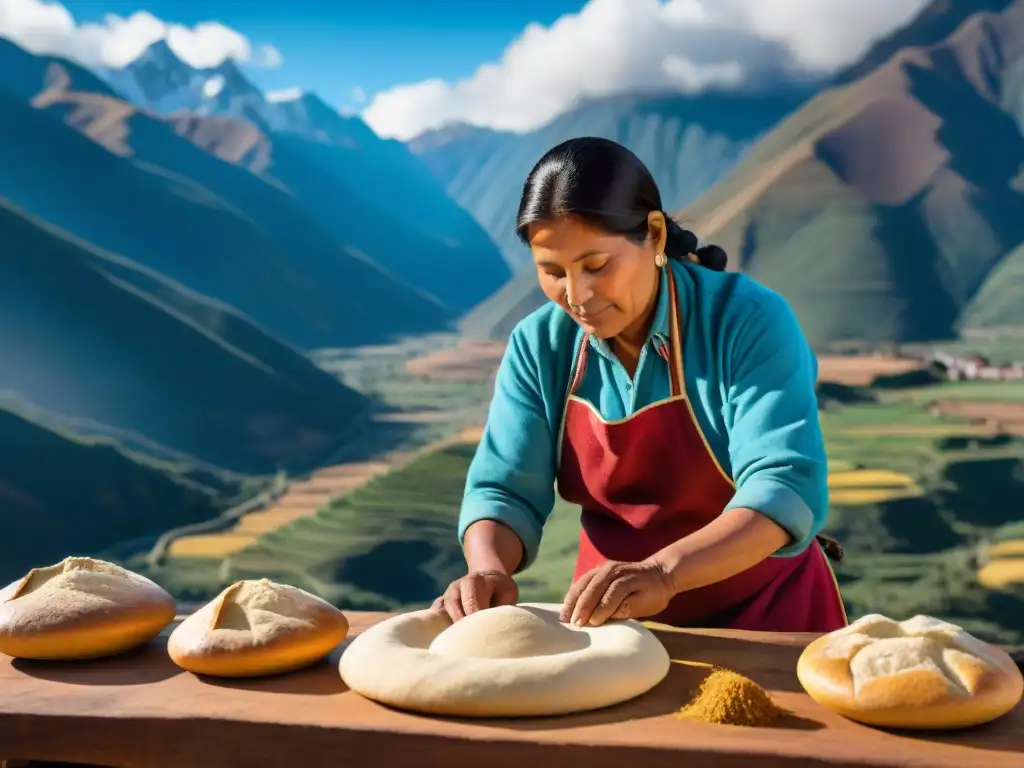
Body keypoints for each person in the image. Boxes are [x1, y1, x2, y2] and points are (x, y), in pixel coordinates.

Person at [433, 136, 846, 633]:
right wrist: (487, 568)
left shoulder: (747, 321)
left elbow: (783, 486)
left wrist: (663, 574)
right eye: (552, 272)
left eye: (596, 266)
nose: (577, 295)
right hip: (612, 624)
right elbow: (504, 490)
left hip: (768, 616)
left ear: (652, 235)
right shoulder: (540, 345)